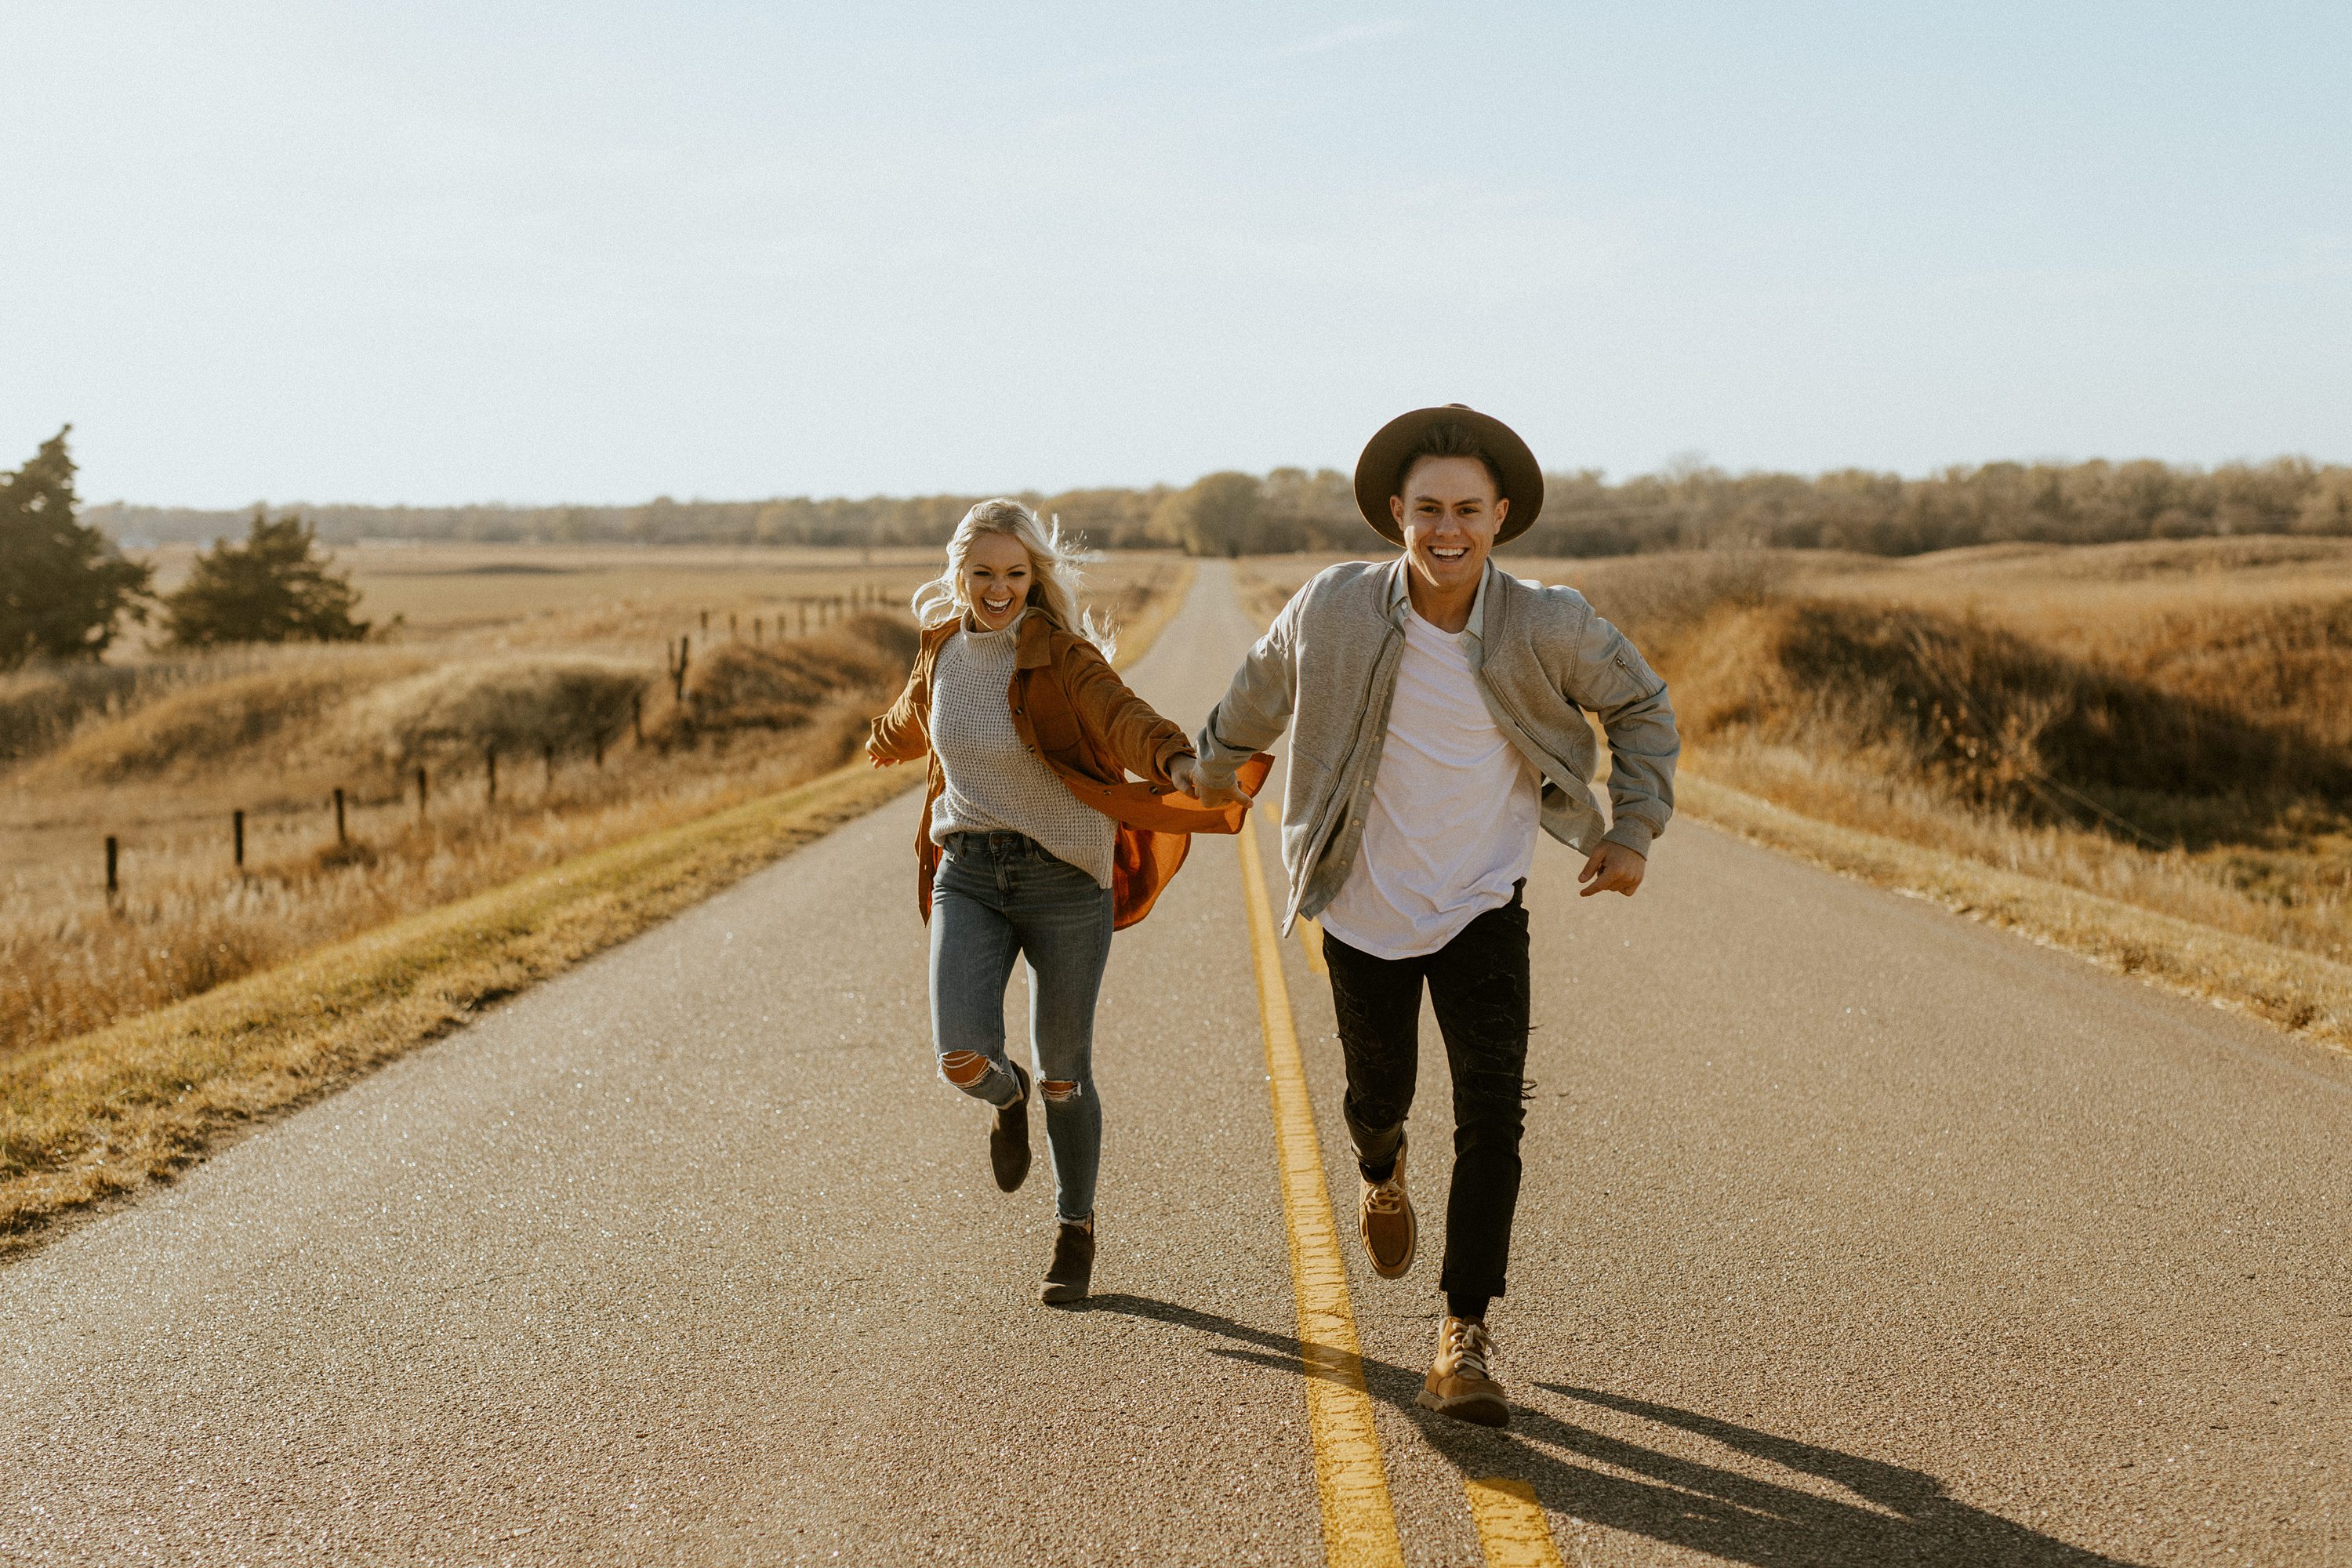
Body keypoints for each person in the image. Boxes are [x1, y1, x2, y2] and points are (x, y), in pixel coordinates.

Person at [1174, 406, 1679, 1426]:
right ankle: (1380, 1165)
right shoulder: (1333, 609)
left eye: (1468, 510)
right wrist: (1204, 775)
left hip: (1484, 903)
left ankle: (1465, 1337)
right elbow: (1256, 697)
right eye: (1428, 509)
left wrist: (1632, 830)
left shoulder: (1549, 622)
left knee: (1495, 1117)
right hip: (1362, 906)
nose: (1448, 529)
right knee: (1379, 1099)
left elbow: (1642, 707)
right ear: (1395, 516)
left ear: (1499, 518)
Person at [869, 499, 1263, 1305]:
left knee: (1066, 1075)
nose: (999, 588)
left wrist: (1175, 760)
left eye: (1015, 573)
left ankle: (1074, 1227)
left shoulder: (1061, 654)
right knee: (960, 1053)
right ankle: (1000, 1092)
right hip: (968, 872)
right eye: (983, 573)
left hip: (1062, 883)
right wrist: (882, 736)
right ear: (960, 574)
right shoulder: (942, 647)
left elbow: (1121, 715)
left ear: (1034, 577)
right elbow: (916, 715)